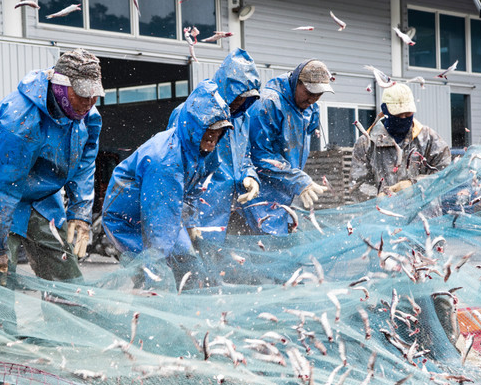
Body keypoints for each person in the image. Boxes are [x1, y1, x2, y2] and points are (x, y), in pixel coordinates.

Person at [0, 49, 103, 333]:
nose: (89, 102)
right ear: (61, 87)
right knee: (0, 278)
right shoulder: (20, 120)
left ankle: (71, 341)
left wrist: (80, 211)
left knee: (65, 273)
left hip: (42, 199)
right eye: (82, 95)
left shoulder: (87, 114)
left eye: (94, 95)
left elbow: (85, 160)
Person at [102, 79, 232, 288]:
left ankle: (185, 307)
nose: (213, 137)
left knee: (188, 263)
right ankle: (151, 310)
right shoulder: (165, 160)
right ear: (195, 127)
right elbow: (158, 226)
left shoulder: (203, 151)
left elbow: (192, 190)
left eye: (219, 131)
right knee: (154, 271)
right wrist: (159, 267)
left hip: (163, 209)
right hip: (128, 219)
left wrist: (189, 221)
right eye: (209, 130)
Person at [168, 48, 261, 243]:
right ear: (225, 86)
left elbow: (243, 157)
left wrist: (249, 177)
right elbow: (176, 170)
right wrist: (188, 218)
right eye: (237, 94)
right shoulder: (190, 114)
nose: (240, 101)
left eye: (246, 96)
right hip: (197, 212)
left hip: (227, 214)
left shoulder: (243, 119)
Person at [242, 59, 332, 235]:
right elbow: (259, 154)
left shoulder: (311, 108)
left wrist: (296, 180)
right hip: (262, 193)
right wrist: (297, 179)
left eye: (319, 94)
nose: (313, 98)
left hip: (287, 192)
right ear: (297, 82)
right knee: (263, 248)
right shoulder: (268, 104)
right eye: (309, 92)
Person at [350, 83, 451, 202]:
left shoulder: (428, 138)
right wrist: (379, 195)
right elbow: (357, 185)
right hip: (383, 216)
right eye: (398, 114)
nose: (403, 118)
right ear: (385, 110)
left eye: (408, 114)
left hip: (425, 216)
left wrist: (414, 185)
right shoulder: (366, 143)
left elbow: (446, 174)